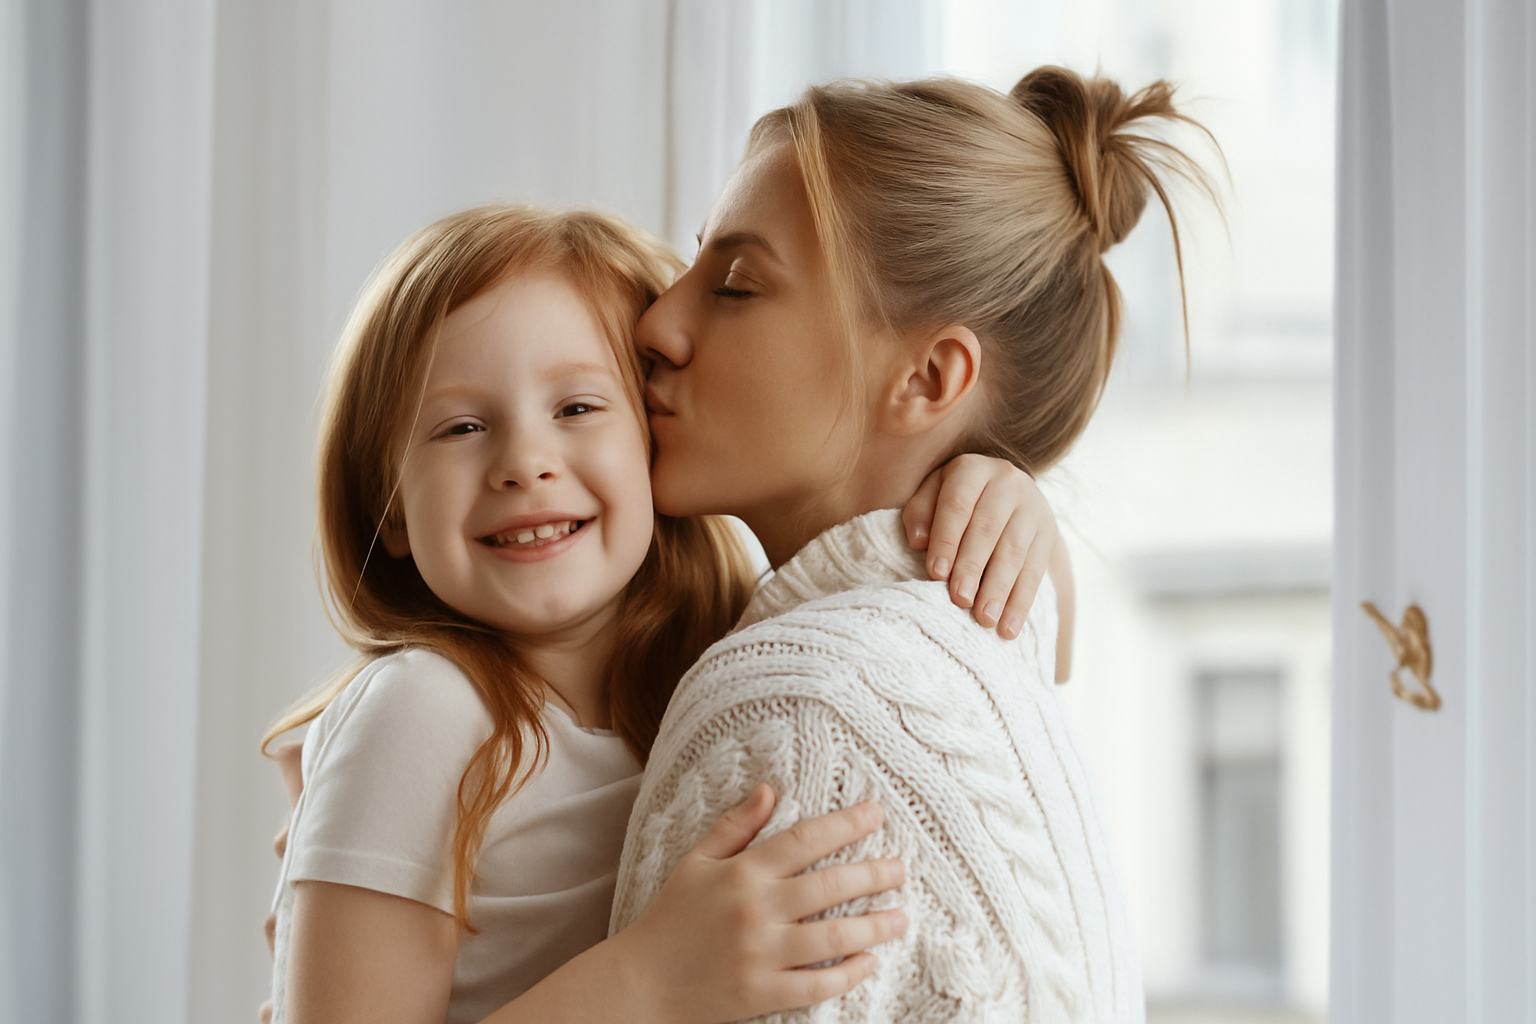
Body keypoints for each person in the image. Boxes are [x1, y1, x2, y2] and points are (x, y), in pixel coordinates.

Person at [265, 203, 1064, 1023]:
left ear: (656, 440)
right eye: (462, 427)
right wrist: (644, 981)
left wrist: (1009, 505)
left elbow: (1022, 657)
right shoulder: (423, 711)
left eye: (576, 409)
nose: (524, 464)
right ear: (390, 510)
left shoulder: (722, 666)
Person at [611, 66, 1218, 1022]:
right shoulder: (985, 651)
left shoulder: (797, 704)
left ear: (931, 378)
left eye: (734, 285)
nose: (655, 324)